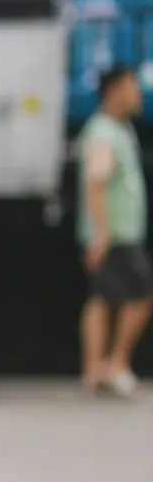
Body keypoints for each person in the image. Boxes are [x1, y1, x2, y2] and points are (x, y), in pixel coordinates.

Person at [78, 65, 151, 397]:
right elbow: (96, 182)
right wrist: (102, 233)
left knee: (101, 298)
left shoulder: (122, 128)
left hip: (118, 234)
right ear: (113, 91)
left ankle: (95, 370)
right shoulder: (104, 132)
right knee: (140, 297)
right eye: (131, 87)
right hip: (116, 236)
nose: (138, 94)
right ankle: (115, 364)